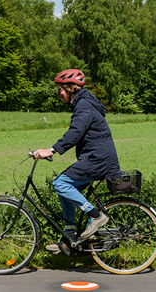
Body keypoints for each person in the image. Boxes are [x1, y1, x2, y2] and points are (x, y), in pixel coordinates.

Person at [32, 69, 121, 254]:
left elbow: (75, 132)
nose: (58, 93)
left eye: (60, 89)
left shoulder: (84, 106)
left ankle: (96, 216)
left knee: (60, 183)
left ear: (72, 88)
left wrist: (52, 150)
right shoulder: (84, 104)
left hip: (98, 159)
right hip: (95, 158)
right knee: (65, 193)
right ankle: (69, 237)